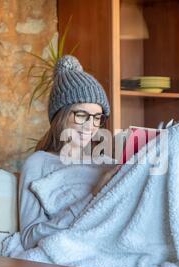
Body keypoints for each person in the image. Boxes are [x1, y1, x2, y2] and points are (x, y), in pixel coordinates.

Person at [19, 55, 120, 250]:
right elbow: (28, 238)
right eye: (82, 115)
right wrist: (93, 196)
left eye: (97, 118)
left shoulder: (106, 162)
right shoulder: (38, 163)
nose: (91, 126)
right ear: (61, 116)